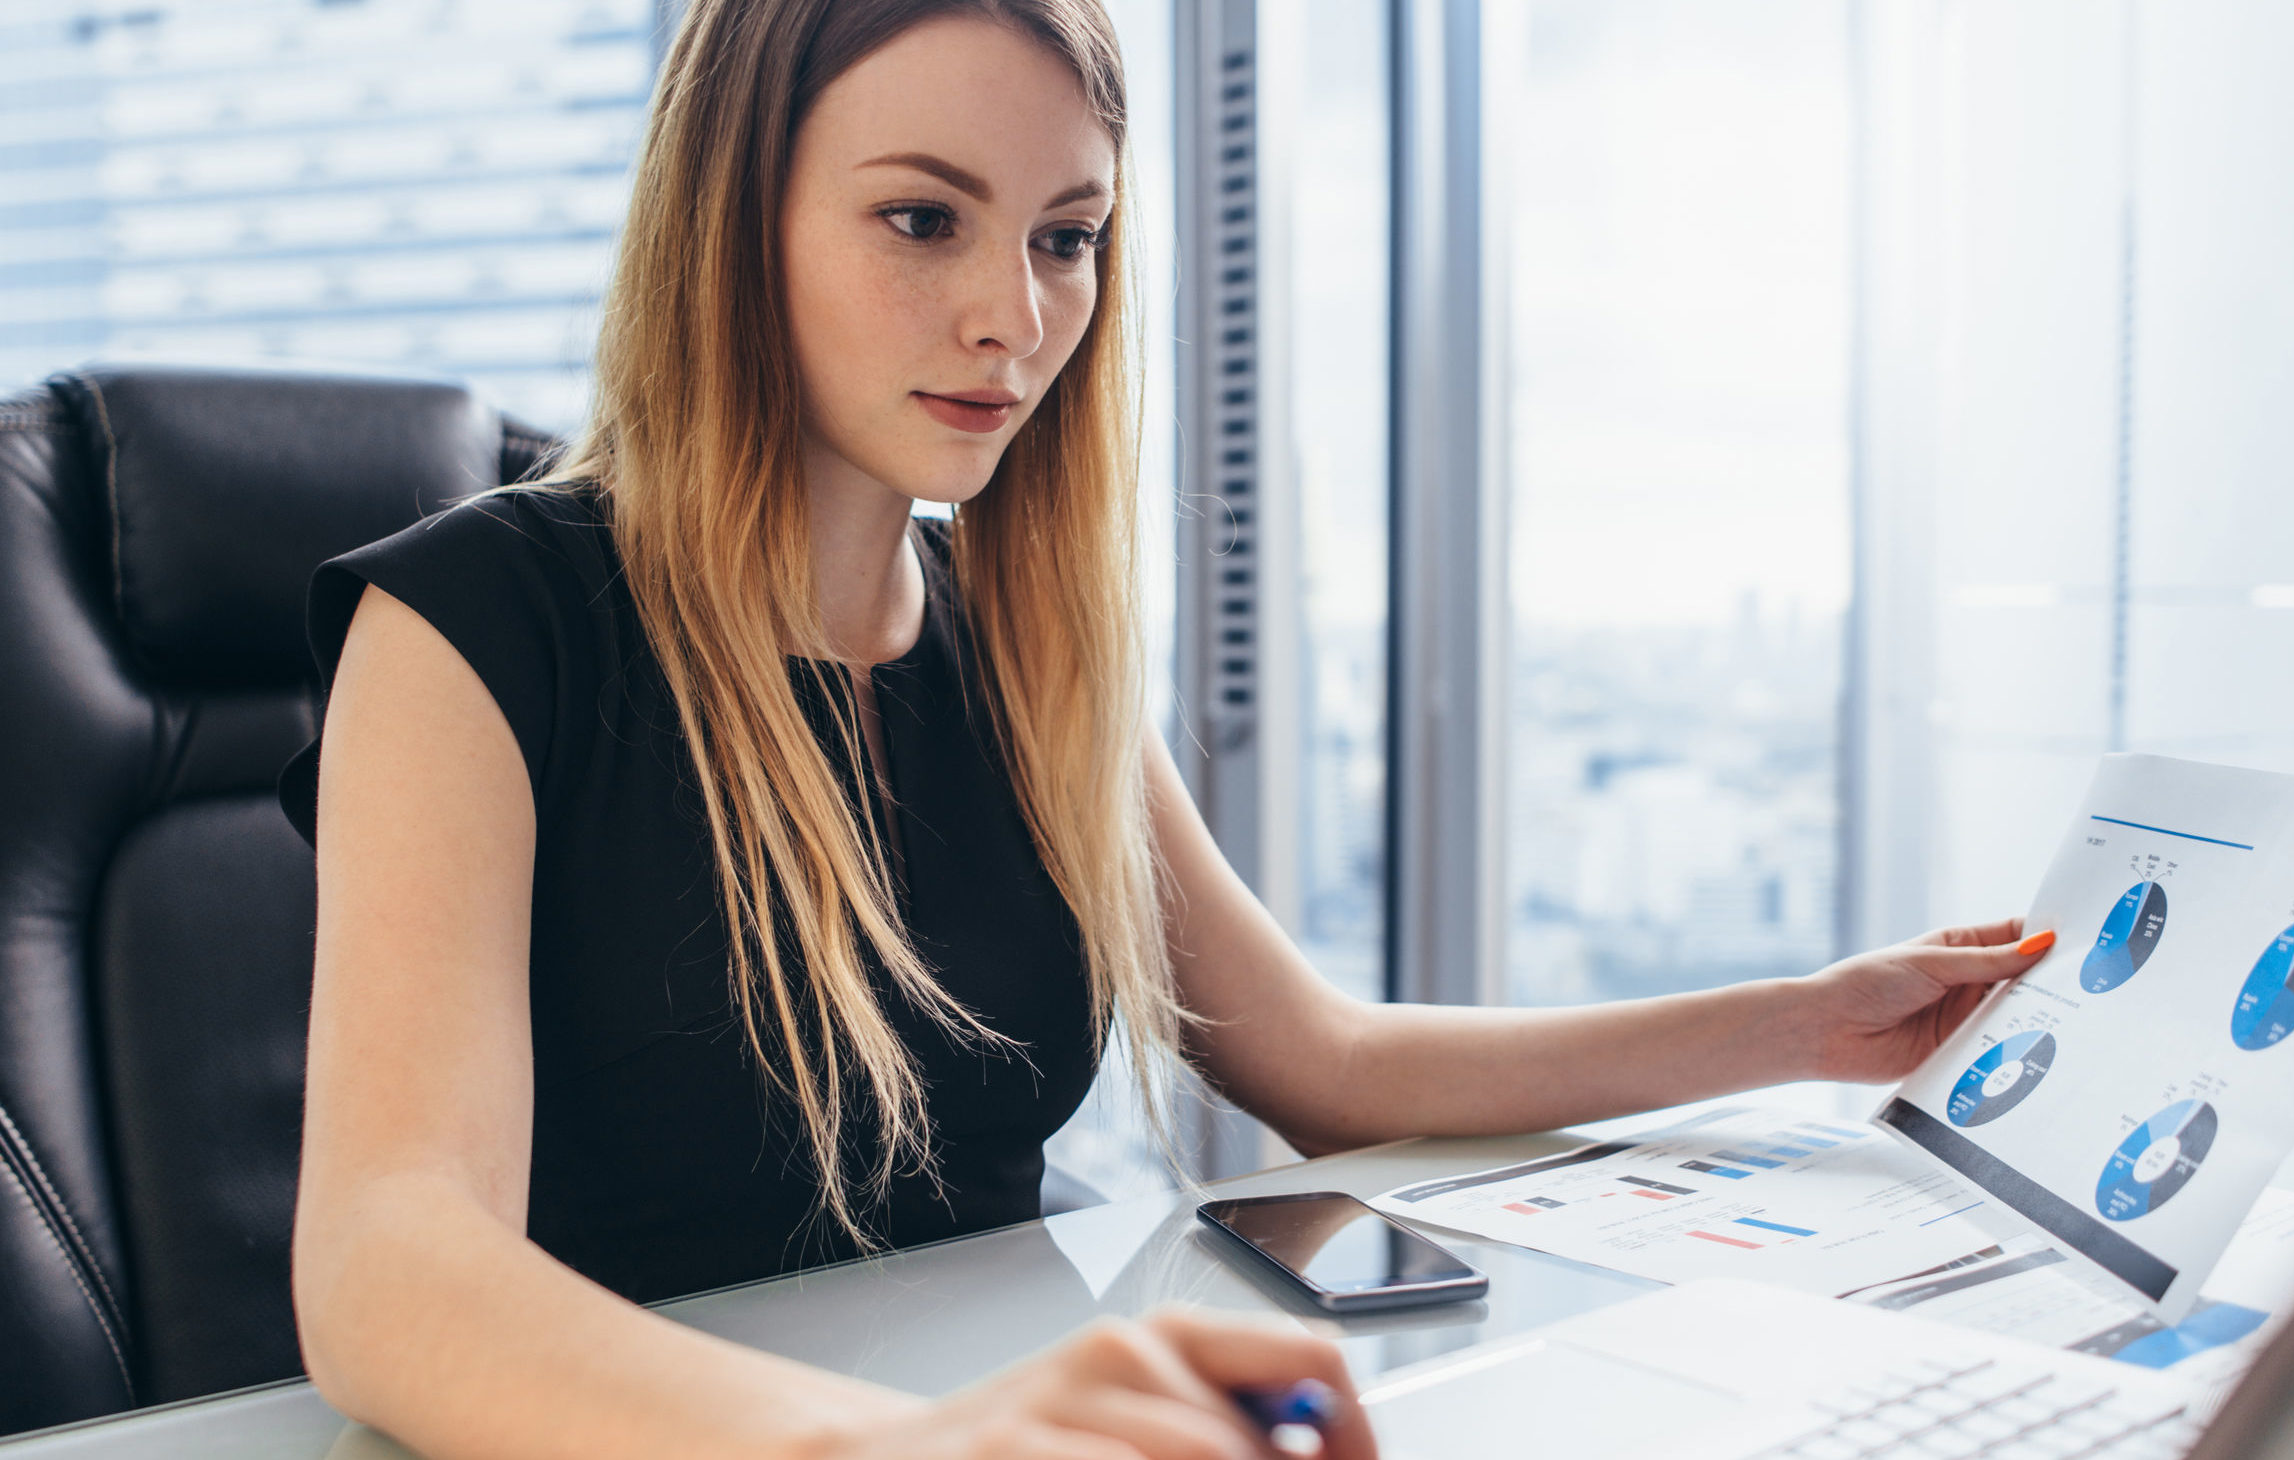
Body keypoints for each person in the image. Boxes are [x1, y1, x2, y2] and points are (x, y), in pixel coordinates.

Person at [280, 0, 2058, 1455]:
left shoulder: (1021, 646)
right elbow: (388, 1260)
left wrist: (1810, 1025)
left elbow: (1327, 1064)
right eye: (924, 219)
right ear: (731, 221)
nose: (1017, 315)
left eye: (1069, 238)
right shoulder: (471, 629)